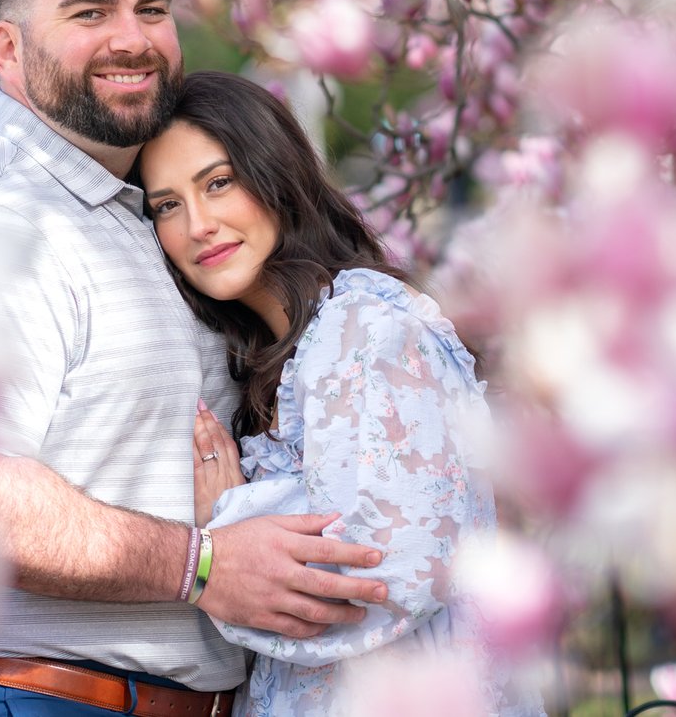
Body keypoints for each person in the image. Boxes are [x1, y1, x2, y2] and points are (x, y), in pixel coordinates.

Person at [0, 0, 390, 717]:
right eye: (90, 12)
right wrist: (202, 564)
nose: (131, 38)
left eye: (151, 8)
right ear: (8, 48)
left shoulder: (146, 203)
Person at [135, 72, 542, 717]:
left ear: (273, 173)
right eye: (167, 205)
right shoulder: (276, 359)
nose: (199, 225)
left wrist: (225, 531)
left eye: (218, 183)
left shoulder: (365, 327)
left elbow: (389, 569)